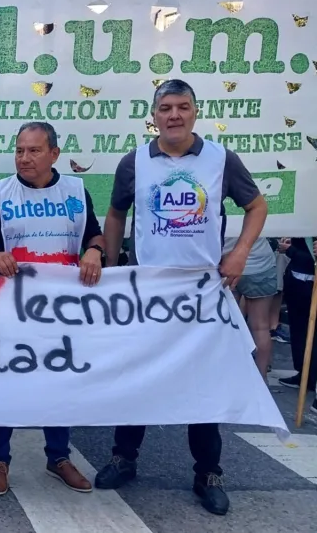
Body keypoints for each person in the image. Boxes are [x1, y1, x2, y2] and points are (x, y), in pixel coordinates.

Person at [95, 79, 268, 516]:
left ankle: (208, 472)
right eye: (166, 108)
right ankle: (124, 458)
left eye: (183, 107)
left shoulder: (220, 159)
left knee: (202, 385)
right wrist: (114, 268)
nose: (174, 115)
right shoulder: (134, 161)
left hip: (202, 293)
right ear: (152, 115)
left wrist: (240, 253)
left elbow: (257, 206)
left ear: (195, 112)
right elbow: (116, 213)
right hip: (148, 292)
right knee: (137, 378)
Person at [0, 121, 102, 497]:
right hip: (11, 310)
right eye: (20, 150)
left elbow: (95, 234)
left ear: (54, 154)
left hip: (62, 312)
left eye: (34, 150)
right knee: (5, 381)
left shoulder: (76, 191)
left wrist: (95, 250)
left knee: (58, 381)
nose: (24, 158)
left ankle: (58, 457)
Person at [223, 237, 278, 376]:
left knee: (226, 327)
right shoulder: (257, 215)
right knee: (261, 327)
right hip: (261, 264)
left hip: (227, 264)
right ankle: (262, 379)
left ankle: (229, 375)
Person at [277, 237, 317, 396]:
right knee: (299, 331)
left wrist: (290, 250)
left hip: (307, 280)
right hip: (297, 280)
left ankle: (310, 376)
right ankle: (304, 374)